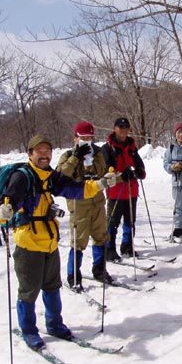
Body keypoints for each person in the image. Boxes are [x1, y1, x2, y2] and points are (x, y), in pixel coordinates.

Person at [0, 134, 118, 350]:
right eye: (39, 151)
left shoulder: (49, 175)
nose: (44, 155)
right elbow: (7, 200)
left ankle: (54, 324)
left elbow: (74, 189)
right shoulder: (23, 177)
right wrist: (3, 211)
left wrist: (99, 184)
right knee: (29, 291)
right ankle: (29, 331)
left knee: (52, 287)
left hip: (49, 242)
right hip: (29, 244)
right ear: (30, 154)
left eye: (47, 151)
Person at [56, 121, 113, 289]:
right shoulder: (67, 156)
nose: (87, 140)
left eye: (89, 137)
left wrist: (108, 177)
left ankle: (99, 269)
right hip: (78, 203)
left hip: (97, 201)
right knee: (78, 241)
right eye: (83, 137)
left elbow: (102, 172)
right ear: (75, 138)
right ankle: (73, 275)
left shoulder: (98, 153)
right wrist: (76, 158)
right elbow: (59, 176)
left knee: (101, 236)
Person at [102, 117, 146, 258]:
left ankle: (127, 246)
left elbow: (140, 164)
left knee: (130, 221)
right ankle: (109, 249)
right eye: (120, 127)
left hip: (131, 190)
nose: (123, 130)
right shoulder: (107, 148)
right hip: (115, 192)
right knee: (113, 222)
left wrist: (139, 171)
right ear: (114, 128)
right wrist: (121, 174)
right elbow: (105, 171)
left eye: (126, 127)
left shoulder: (132, 146)